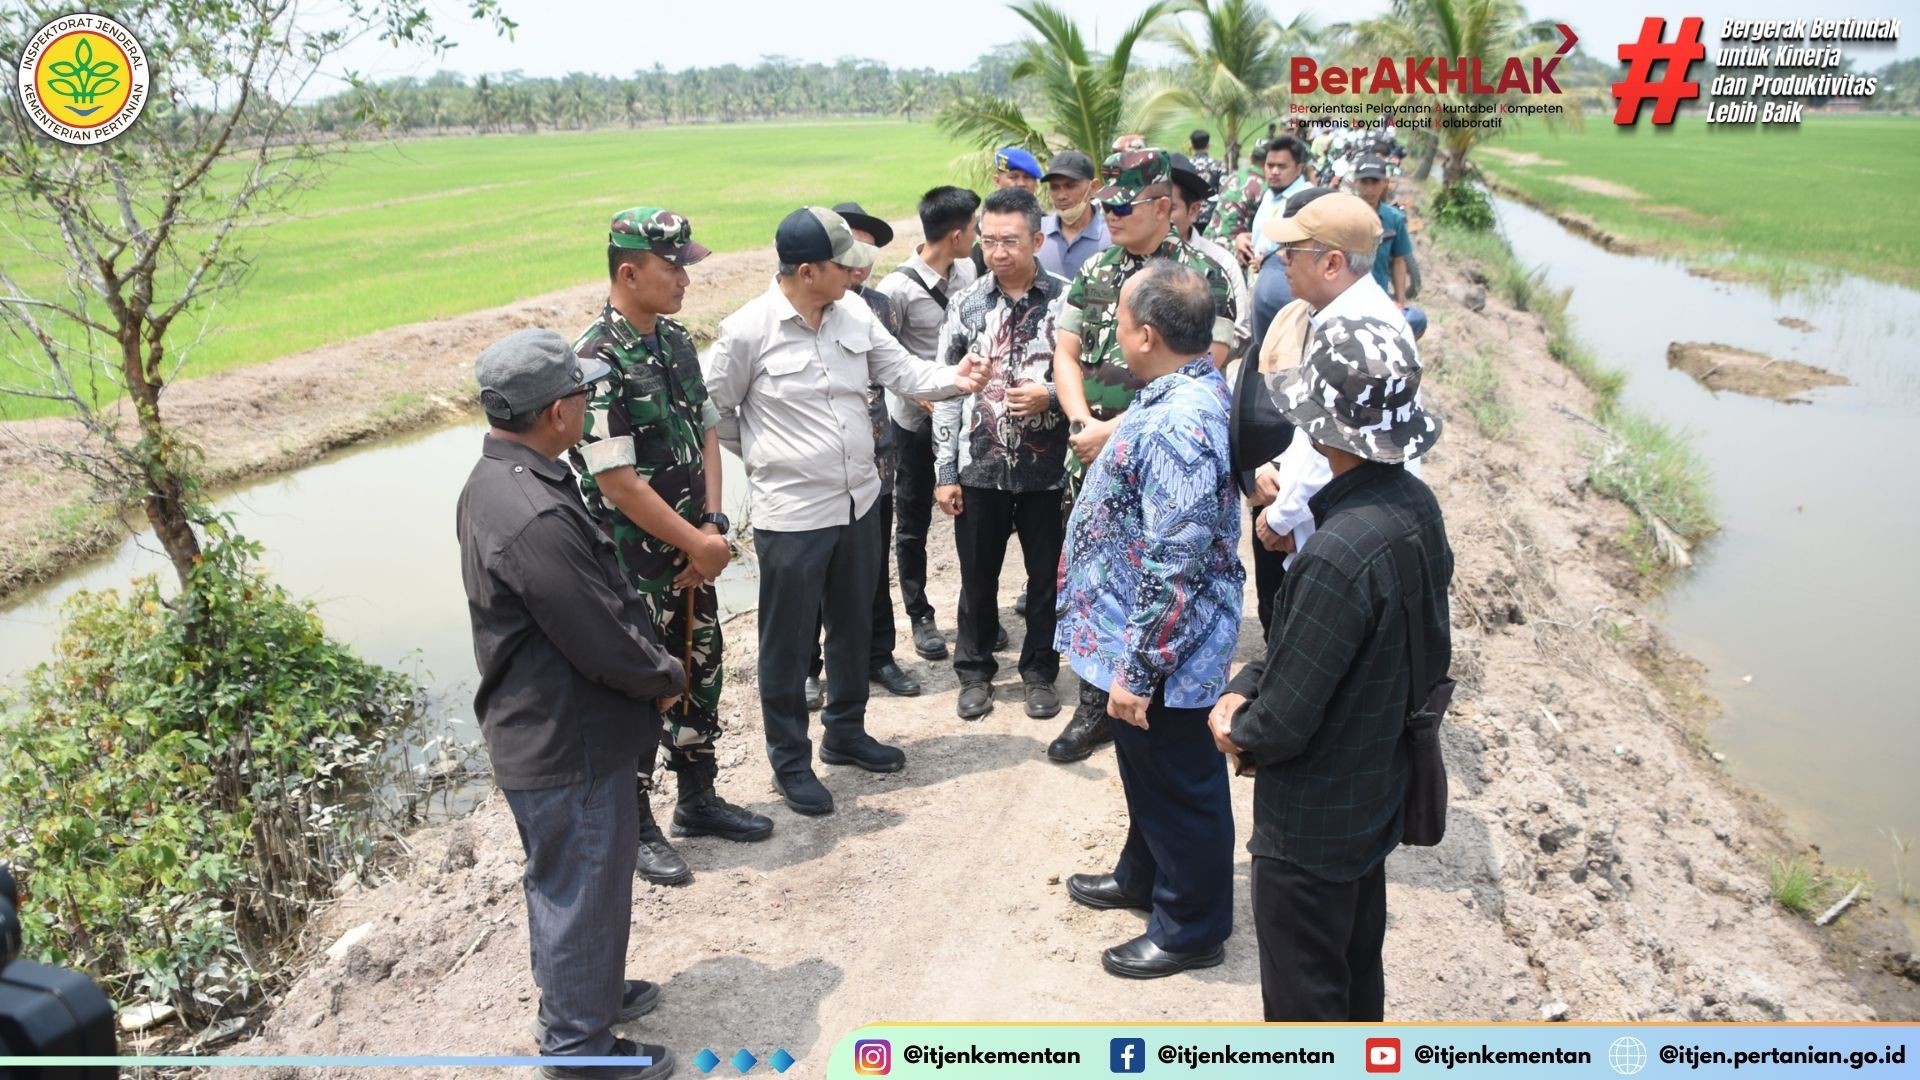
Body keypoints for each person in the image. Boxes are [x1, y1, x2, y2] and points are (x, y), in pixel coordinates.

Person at [1208, 305, 1450, 1023]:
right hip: (1372, 790)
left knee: (1306, 1006)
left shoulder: (1340, 551)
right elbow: (1339, 648)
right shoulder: (1414, 507)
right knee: (1352, 973)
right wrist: (1257, 677)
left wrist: (1234, 720)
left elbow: (1277, 725)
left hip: (1310, 824)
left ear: (1318, 427)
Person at [457, 328, 684, 1079]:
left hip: (548, 726)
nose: (590, 402)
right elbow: (600, 639)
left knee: (576, 879)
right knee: (579, 884)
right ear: (557, 412)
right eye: (582, 393)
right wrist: (665, 675)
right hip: (567, 738)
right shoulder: (535, 512)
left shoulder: (499, 480)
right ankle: (579, 1050)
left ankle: (585, 996)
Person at [707, 207, 987, 816]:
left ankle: (845, 732)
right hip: (793, 513)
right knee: (786, 644)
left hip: (859, 499)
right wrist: (772, 456)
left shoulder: (854, 311)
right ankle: (790, 763)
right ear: (807, 271)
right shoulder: (746, 331)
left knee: (854, 625)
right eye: (843, 263)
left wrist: (956, 378)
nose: (857, 270)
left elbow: (901, 371)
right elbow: (719, 416)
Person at [570, 208, 773, 889]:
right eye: (671, 267)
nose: (685, 277)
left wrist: (712, 527)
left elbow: (709, 433)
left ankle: (698, 799)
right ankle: (637, 827)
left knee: (699, 669)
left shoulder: (678, 343)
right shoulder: (595, 360)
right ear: (628, 273)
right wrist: (697, 541)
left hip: (695, 555)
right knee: (639, 694)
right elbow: (617, 482)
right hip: (633, 569)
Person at [1057, 261, 1244, 980]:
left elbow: (1178, 559)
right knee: (1149, 775)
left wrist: (1138, 671)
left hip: (1165, 650)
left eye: (1122, 322)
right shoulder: (1181, 390)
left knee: (1182, 784)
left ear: (1144, 335)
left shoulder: (1178, 422)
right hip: (1141, 638)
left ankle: (1192, 925)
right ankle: (1144, 876)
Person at [1048, 148, 1238, 765]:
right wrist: (1082, 422)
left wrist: (1117, 430)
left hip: (1154, 455)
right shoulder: (1097, 271)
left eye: (1121, 205)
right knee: (1100, 577)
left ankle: (1152, 696)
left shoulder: (1201, 276)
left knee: (1163, 570)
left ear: (1163, 206)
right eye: (1104, 205)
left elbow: (1203, 371)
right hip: (1094, 450)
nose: (1110, 216)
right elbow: (1067, 352)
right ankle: (1097, 701)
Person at [930, 187, 1070, 723]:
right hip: (981, 464)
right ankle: (974, 672)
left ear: (1037, 239)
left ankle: (1039, 671)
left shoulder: (1067, 301)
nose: (998, 251)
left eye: (1010, 241)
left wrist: (1050, 395)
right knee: (977, 576)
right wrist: (945, 471)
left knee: (1044, 576)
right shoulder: (966, 305)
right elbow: (946, 391)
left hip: (1047, 469)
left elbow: (1091, 379)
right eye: (988, 241)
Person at [800, 202, 922, 710]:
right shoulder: (788, 313)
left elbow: (898, 376)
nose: (859, 262)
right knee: (810, 578)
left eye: (868, 252)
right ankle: (809, 669)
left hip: (876, 463)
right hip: (816, 474)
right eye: (850, 249)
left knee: (870, 569)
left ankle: (879, 656)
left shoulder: (881, 307)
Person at [876, 186, 981, 665]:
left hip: (963, 422)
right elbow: (886, 364)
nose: (978, 237)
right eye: (975, 228)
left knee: (974, 517)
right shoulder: (896, 289)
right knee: (913, 519)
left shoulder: (970, 271)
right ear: (956, 234)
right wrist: (926, 399)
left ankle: (975, 617)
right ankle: (920, 615)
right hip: (915, 423)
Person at [1169, 153, 1253, 359]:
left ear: (1194, 210)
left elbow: (1240, 333)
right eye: (1151, 205)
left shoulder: (1220, 263)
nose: (1159, 215)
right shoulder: (1128, 258)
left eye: (1169, 208)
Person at [1351, 155, 1427, 339]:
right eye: (1364, 182)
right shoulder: (1344, 214)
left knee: (1416, 320)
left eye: (1375, 182)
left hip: (1378, 295)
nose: (1369, 189)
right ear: (1355, 183)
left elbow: (1399, 261)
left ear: (1385, 183)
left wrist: (1400, 301)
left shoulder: (1394, 219)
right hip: (1346, 295)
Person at [1038, 150, 1110, 282]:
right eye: (1054, 187)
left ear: (1093, 187)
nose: (1061, 196)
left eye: (1070, 186)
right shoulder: (1036, 231)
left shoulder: (1112, 236)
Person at [1242, 134, 1313, 269]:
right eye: (1270, 165)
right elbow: (1267, 237)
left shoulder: (1307, 199)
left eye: (1281, 166)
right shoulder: (1270, 194)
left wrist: (1270, 259)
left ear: (1298, 169)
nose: (1274, 172)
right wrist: (1243, 239)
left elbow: (1309, 249)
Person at [1204, 139, 1266, 251]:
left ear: (1251, 157)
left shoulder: (1233, 176)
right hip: (1235, 248)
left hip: (1208, 241)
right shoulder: (1264, 187)